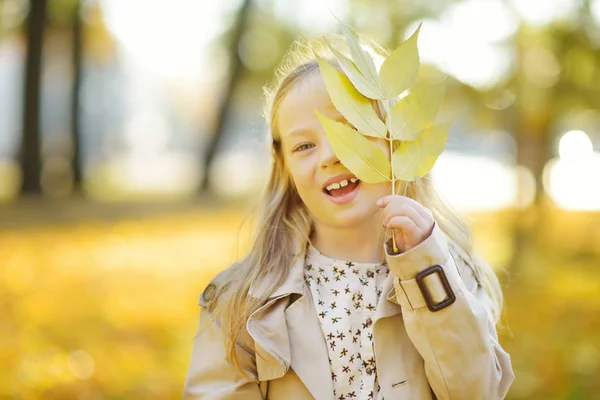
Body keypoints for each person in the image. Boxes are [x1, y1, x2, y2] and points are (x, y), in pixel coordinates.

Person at [183, 33, 514, 400]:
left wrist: (425, 269)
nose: (330, 155)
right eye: (305, 145)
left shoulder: (449, 274)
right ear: (286, 169)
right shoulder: (243, 300)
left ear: (396, 144)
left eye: (352, 131)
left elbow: (477, 391)